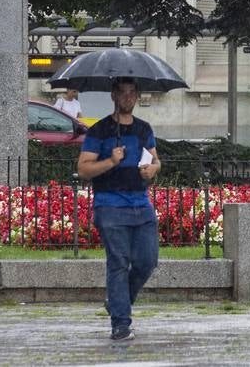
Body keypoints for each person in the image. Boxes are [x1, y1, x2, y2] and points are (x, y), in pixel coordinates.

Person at [77, 76, 161, 342]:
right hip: (110, 205)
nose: (128, 97)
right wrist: (111, 161)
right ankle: (121, 324)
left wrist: (152, 170)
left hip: (140, 204)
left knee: (148, 261)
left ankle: (117, 301)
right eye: (123, 92)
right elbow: (84, 169)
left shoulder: (143, 129)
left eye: (132, 92)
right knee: (118, 262)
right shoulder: (99, 131)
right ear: (113, 96)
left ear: (137, 96)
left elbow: (155, 160)